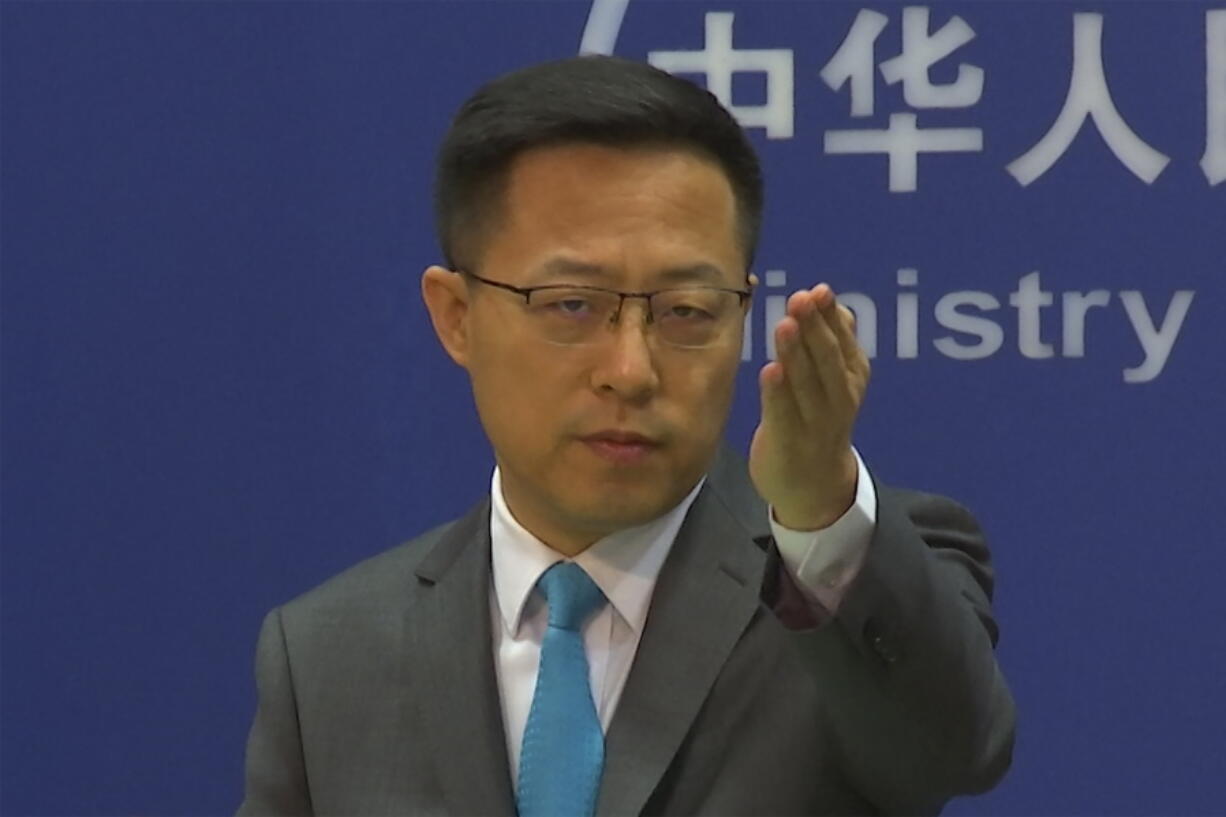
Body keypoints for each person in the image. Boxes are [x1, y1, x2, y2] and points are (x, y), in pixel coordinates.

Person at [236, 55, 1015, 816]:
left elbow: (952, 753)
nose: (631, 369)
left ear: (743, 315)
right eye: (572, 304)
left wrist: (819, 510)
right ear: (456, 316)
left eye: (687, 310)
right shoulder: (329, 656)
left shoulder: (838, 585)